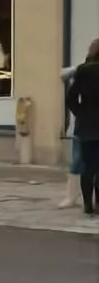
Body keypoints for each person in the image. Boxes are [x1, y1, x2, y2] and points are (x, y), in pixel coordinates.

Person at [67, 38, 99, 215]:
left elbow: (70, 98)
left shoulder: (83, 70)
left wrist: (81, 113)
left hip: (86, 126)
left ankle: (88, 204)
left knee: (87, 167)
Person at [58, 64, 82, 209]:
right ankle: (71, 197)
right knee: (78, 159)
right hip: (85, 123)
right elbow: (63, 74)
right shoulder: (84, 69)